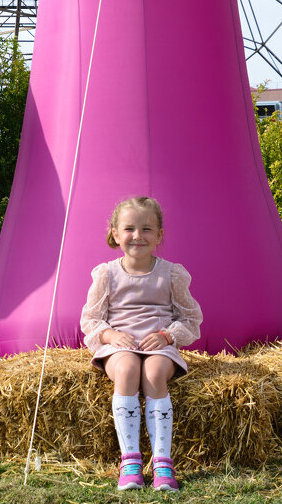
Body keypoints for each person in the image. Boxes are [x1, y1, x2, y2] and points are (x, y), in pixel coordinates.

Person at [80, 196, 203, 492]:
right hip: (119, 345)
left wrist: (167, 336)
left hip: (159, 345)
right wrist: (110, 336)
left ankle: (162, 462)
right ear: (115, 233)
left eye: (147, 229)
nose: (138, 236)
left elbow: (191, 319)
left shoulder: (171, 273)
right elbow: (90, 319)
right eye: (130, 229)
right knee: (127, 370)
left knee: (153, 374)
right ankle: (131, 461)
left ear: (159, 235)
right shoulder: (107, 273)